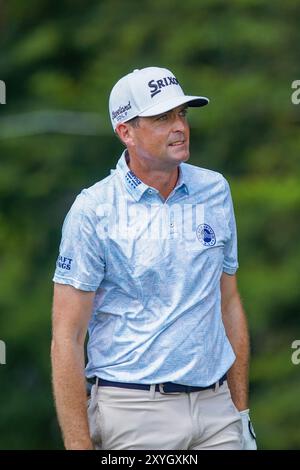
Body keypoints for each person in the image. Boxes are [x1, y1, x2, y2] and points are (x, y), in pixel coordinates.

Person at [51, 66, 257, 450]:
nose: (179, 126)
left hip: (217, 414)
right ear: (126, 132)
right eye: (162, 117)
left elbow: (228, 302)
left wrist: (240, 412)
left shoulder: (215, 190)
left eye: (182, 114)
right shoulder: (93, 210)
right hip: (132, 414)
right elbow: (67, 337)